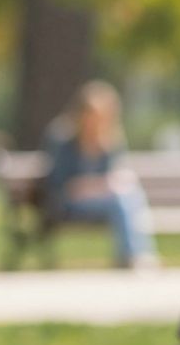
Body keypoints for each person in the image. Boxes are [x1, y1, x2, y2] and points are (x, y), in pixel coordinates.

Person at [42, 81, 156, 269]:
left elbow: (119, 175)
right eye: (93, 116)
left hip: (103, 202)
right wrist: (99, 185)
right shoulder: (62, 139)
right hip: (69, 205)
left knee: (131, 195)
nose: (96, 123)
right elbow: (62, 186)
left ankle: (135, 255)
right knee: (121, 201)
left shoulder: (109, 141)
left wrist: (112, 184)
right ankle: (133, 256)